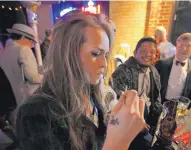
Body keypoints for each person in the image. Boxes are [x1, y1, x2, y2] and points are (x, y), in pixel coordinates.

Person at [16, 11, 147, 150]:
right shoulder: (35, 113)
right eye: (96, 54)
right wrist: (119, 141)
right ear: (67, 53)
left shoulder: (89, 90)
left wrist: (116, 123)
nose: (104, 64)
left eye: (106, 55)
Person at [110, 37, 164, 149]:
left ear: (155, 56)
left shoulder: (154, 72)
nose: (147, 54)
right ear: (135, 53)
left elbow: (157, 98)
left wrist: (160, 119)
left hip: (149, 119)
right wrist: (138, 120)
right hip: (127, 122)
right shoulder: (123, 71)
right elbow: (119, 102)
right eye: (143, 50)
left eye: (152, 52)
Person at [0, 23, 43, 125]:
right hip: (23, 98)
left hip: (9, 99)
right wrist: (48, 77)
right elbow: (33, 77)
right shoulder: (23, 50)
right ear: (23, 37)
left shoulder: (6, 50)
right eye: (31, 41)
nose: (31, 44)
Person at [155, 33, 191, 107]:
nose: (184, 49)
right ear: (176, 46)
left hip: (181, 107)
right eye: (181, 45)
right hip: (161, 104)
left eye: (188, 46)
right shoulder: (161, 64)